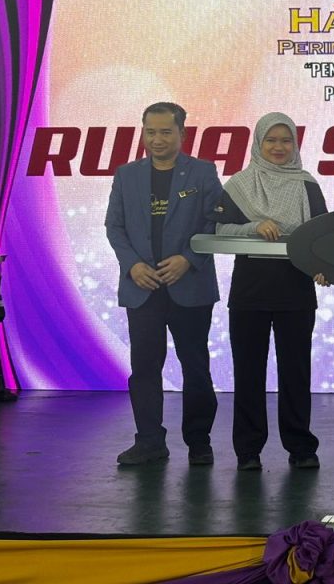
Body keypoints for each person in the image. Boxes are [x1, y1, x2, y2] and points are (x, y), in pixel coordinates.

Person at [106, 102, 222, 466]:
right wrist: (132, 265)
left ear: (182, 134)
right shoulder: (126, 175)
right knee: (144, 368)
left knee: (195, 367)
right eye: (151, 132)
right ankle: (149, 441)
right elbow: (114, 227)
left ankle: (199, 442)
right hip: (142, 288)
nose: (157, 139)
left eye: (165, 132)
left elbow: (214, 223)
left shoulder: (203, 172)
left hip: (190, 286)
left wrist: (188, 258)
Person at [215, 112, 330, 471]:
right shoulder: (239, 185)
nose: (279, 147)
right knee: (248, 373)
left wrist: (325, 267)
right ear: (259, 143)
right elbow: (219, 229)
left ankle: (301, 447)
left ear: (295, 144)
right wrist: (252, 227)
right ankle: (248, 451)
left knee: (296, 373)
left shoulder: (307, 185)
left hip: (296, 292)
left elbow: (323, 236)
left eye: (286, 140)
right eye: (271, 140)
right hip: (250, 293)